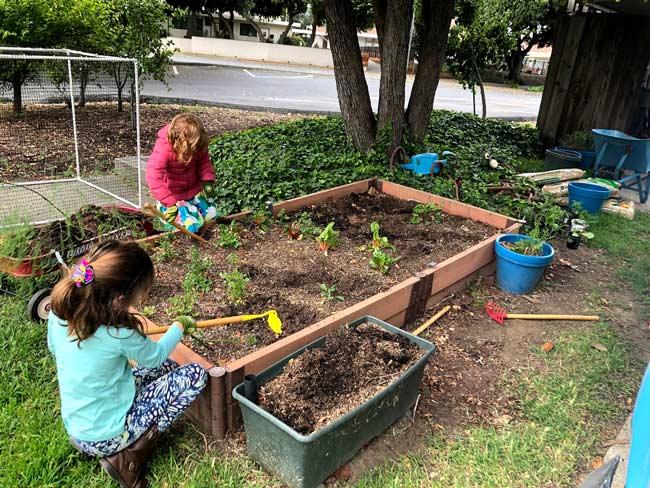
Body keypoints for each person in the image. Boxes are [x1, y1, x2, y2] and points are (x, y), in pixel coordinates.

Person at [47, 240, 206, 488]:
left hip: (78, 427)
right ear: (120, 299)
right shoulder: (118, 334)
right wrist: (179, 327)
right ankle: (128, 456)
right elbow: (155, 356)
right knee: (194, 374)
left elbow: (54, 348)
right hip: (107, 436)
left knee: (170, 369)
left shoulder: (59, 315)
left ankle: (116, 439)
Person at [146, 113, 218, 233]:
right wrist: (169, 202)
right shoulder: (164, 149)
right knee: (192, 226)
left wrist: (207, 180)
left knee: (212, 215)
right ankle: (170, 217)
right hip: (174, 197)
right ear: (180, 141)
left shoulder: (197, 144)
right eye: (192, 147)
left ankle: (194, 212)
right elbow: (153, 176)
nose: (196, 150)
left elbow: (204, 162)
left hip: (193, 191)